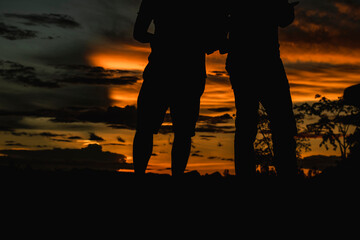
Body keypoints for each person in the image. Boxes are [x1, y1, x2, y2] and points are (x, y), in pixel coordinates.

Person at [132, 0, 221, 176]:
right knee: (181, 133)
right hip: (187, 73)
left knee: (149, 129)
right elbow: (212, 44)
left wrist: (159, 40)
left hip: (163, 71)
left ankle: (140, 176)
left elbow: (139, 33)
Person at [224, 0, 300, 178]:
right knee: (281, 124)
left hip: (245, 62)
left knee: (248, 124)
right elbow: (285, 18)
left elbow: (284, 18)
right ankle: (287, 176)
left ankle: (251, 178)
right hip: (265, 63)